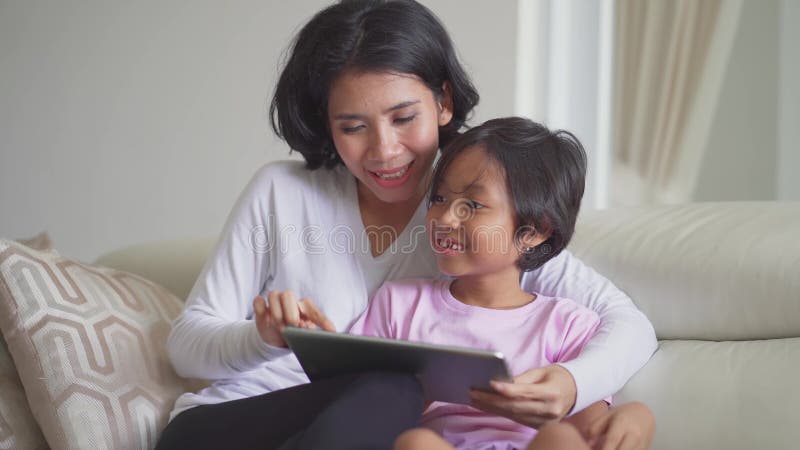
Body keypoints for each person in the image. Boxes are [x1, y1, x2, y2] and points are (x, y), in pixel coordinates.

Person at [155, 1, 656, 449]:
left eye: (403, 118)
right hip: (227, 429)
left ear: (442, 102)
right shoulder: (281, 192)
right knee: (392, 386)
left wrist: (573, 383)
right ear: (325, 123)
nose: (384, 150)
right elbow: (187, 348)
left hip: (364, 433)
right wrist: (264, 337)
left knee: (395, 390)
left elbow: (630, 326)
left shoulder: (478, 218)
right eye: (352, 127)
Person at [342, 117, 655, 449]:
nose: (445, 218)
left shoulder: (566, 325)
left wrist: (637, 416)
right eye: (440, 198)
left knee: (560, 438)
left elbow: (589, 429)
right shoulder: (400, 305)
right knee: (417, 443)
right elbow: (357, 405)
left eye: (473, 205)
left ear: (534, 231)